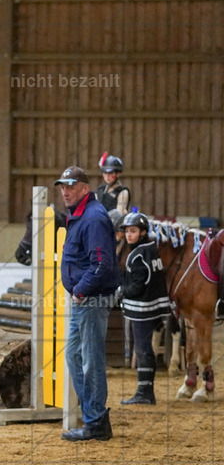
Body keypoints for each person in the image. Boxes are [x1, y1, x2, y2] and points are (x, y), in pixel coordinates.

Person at [56, 166, 122, 441]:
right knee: (75, 355)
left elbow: (101, 264)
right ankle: (95, 417)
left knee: (90, 360)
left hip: (90, 299)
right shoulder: (80, 215)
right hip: (85, 299)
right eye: (62, 186)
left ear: (85, 188)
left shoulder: (93, 218)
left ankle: (95, 422)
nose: (65, 191)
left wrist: (81, 290)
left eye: (71, 186)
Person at [118, 212, 171, 404]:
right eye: (127, 231)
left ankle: (144, 392)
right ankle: (146, 391)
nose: (129, 235)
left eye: (133, 231)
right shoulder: (152, 248)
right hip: (156, 305)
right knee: (146, 348)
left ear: (142, 232)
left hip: (142, 308)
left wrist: (120, 291)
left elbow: (137, 286)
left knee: (142, 349)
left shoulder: (137, 255)